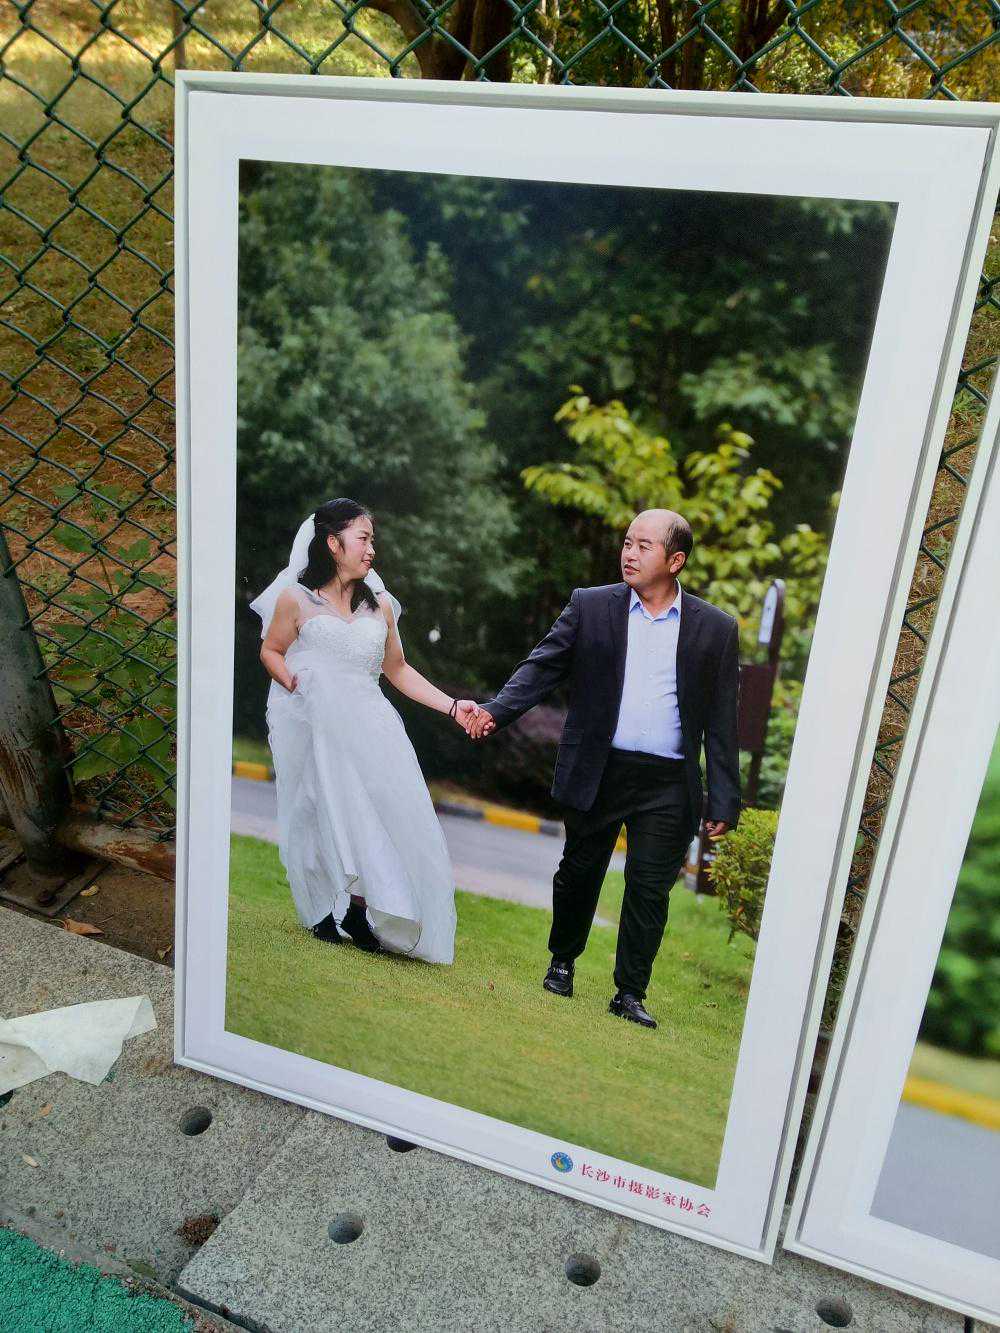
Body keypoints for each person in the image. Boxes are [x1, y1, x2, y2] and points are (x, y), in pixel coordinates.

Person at [465, 509, 740, 1027]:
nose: (629, 554)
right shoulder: (591, 606)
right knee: (580, 871)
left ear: (675, 561)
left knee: (649, 889)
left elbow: (724, 718)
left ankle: (630, 993)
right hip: (600, 768)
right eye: (627, 542)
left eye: (643, 546)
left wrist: (724, 797)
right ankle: (562, 962)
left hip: (668, 781)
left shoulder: (715, 629)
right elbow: (542, 667)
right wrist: (496, 711)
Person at [249, 499, 479, 963]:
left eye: (372, 540)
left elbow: (399, 670)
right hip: (316, 723)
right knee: (317, 808)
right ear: (333, 544)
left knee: (374, 812)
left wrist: (453, 707)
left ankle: (358, 911)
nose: (372, 549)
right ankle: (320, 910)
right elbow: (271, 651)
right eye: (363, 539)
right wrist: (295, 683)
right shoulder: (296, 599)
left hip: (372, 725)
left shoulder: (381, 606)